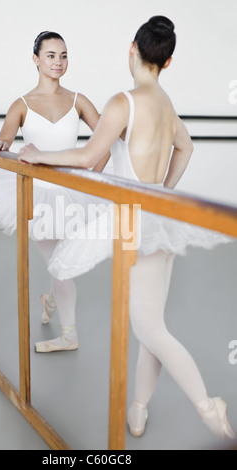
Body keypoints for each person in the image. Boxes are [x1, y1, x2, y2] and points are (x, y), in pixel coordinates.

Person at [18, 17, 236, 441]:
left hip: (139, 219)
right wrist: (163, 192)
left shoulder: (124, 101)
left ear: (132, 47)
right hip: (160, 213)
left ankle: (208, 406)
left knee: (149, 327)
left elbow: (87, 159)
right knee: (149, 319)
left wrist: (37, 154)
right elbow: (186, 146)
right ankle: (138, 406)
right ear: (168, 60)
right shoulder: (166, 101)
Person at [0, 31, 110, 353]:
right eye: (51, 55)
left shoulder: (79, 101)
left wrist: (89, 184)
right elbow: (4, 138)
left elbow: (105, 147)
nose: (58, 62)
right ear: (36, 59)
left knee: (65, 263)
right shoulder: (22, 104)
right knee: (60, 263)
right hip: (39, 195)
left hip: (75, 194)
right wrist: (1, 144)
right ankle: (69, 334)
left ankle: (50, 301)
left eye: (64, 55)